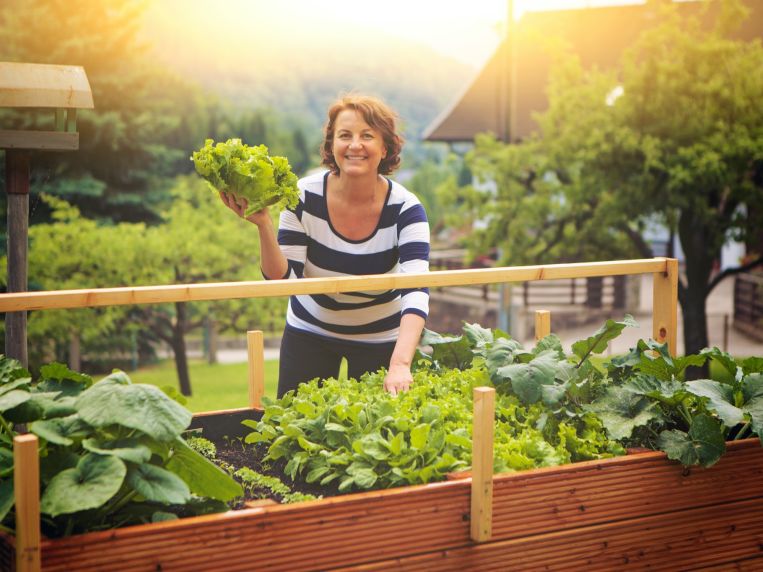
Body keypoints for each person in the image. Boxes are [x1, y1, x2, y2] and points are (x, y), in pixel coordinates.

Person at [220, 94, 430, 398]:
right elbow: (284, 280)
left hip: (381, 336)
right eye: (345, 135)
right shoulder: (302, 196)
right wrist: (264, 224)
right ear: (332, 145)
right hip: (311, 330)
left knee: (376, 436)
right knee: (293, 432)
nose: (355, 144)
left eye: (367, 136)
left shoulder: (407, 209)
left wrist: (400, 363)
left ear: (385, 148)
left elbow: (416, 290)